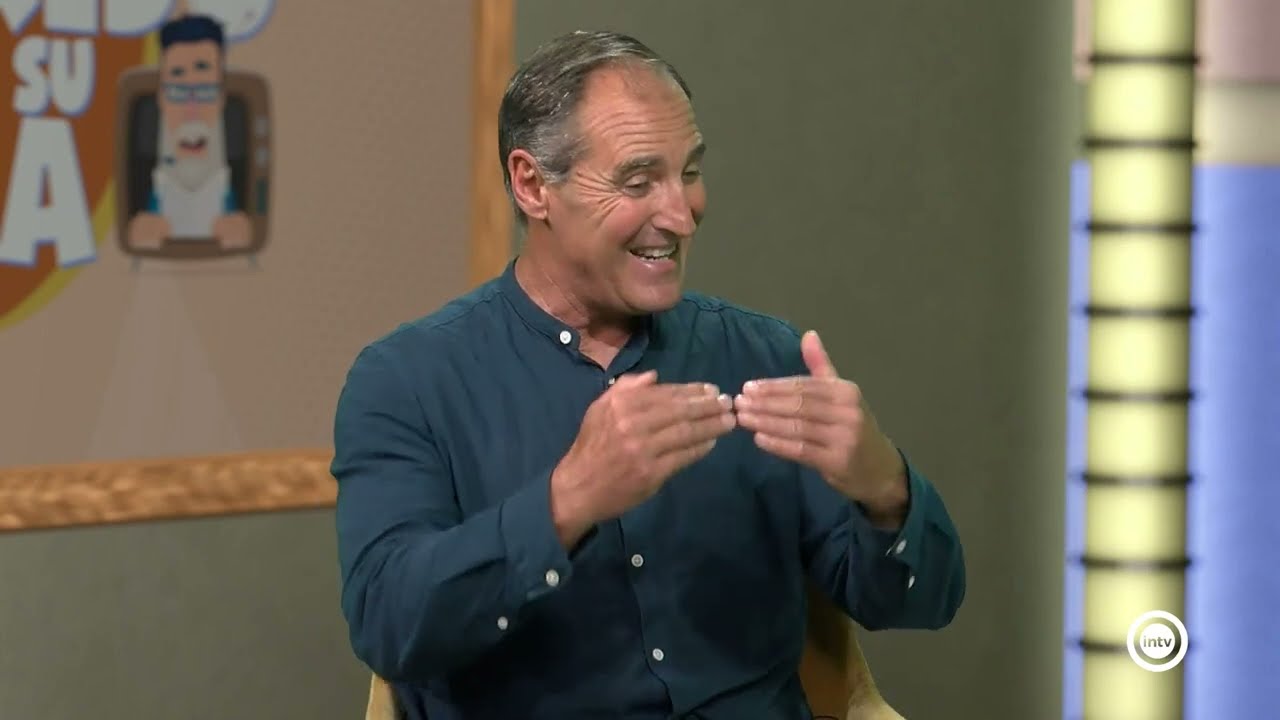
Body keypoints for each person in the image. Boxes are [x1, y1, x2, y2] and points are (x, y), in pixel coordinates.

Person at [331, 30, 965, 720]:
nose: (681, 215)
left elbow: (920, 605)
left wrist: (886, 490)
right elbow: (390, 624)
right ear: (533, 185)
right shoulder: (408, 382)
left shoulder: (763, 358)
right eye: (638, 182)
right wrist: (566, 502)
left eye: (688, 173)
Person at [127, 14, 251, 251]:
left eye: (204, 92)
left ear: (221, 97)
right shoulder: (142, 174)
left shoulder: (240, 171)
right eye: (179, 92)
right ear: (162, 98)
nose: (191, 110)